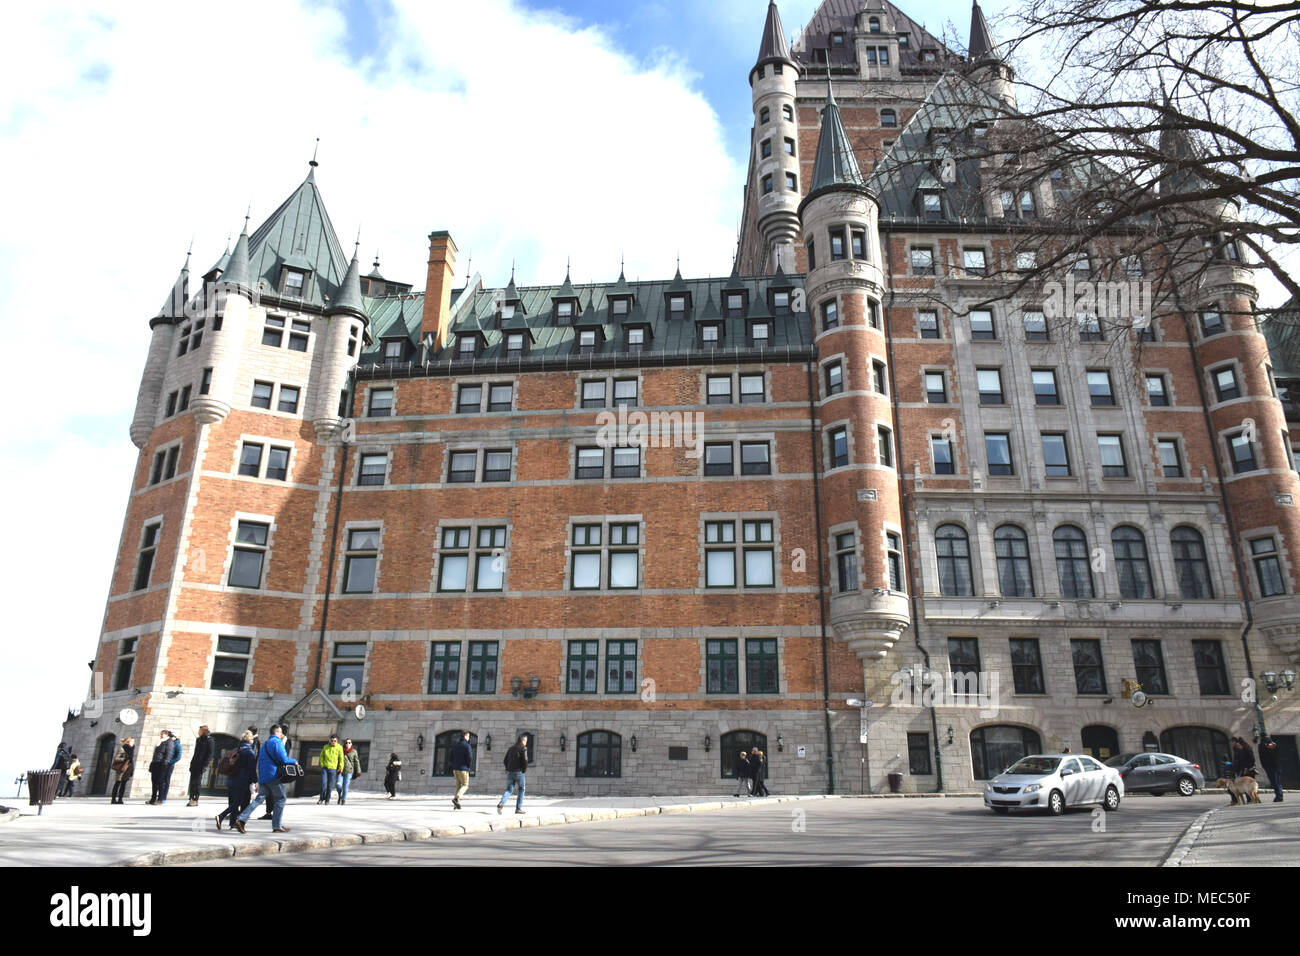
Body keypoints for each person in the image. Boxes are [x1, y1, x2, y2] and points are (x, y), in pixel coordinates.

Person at [234, 724, 297, 834]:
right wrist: (294, 761)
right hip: (274, 776)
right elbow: (283, 759)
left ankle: (241, 820)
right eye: (281, 732)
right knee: (281, 799)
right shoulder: (277, 742)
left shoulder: (266, 743)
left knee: (259, 799)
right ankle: (277, 826)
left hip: (264, 776)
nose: (282, 734)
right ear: (276, 732)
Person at [216, 731, 258, 830]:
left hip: (231, 779)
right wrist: (255, 780)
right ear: (249, 739)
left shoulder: (236, 749)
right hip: (242, 780)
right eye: (252, 738)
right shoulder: (249, 752)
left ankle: (232, 823)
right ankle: (221, 816)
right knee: (238, 802)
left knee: (234, 802)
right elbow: (251, 768)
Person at [497, 735, 528, 814]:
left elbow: (505, 760)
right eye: (526, 741)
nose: (526, 743)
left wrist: (508, 769)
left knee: (509, 789)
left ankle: (501, 803)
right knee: (521, 789)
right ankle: (518, 809)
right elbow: (525, 760)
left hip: (510, 772)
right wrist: (523, 770)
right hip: (519, 771)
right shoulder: (523, 748)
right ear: (523, 740)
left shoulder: (511, 748)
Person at [187, 725, 213, 806]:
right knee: (192, 781)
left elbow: (210, 754)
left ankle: (195, 799)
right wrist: (192, 763)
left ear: (203, 731)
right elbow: (196, 753)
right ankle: (191, 798)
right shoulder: (198, 740)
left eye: (199, 731)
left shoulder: (210, 740)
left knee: (197, 782)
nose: (198, 732)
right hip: (195, 763)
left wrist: (205, 765)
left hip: (201, 764)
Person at [147, 730, 174, 805]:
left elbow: (168, 754)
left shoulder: (169, 742)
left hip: (162, 764)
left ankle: (160, 799)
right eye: (161, 734)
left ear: (167, 734)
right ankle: (153, 798)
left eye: (163, 734)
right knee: (154, 781)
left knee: (160, 782)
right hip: (155, 763)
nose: (161, 735)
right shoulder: (159, 741)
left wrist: (165, 764)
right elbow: (155, 754)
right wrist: (152, 763)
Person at [450, 731, 473, 810]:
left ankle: (455, 805)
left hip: (455, 769)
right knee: (465, 785)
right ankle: (456, 798)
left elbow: (450, 757)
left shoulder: (455, 745)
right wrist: (468, 766)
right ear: (465, 736)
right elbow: (469, 757)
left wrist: (454, 764)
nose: (469, 738)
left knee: (458, 786)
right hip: (463, 768)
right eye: (468, 736)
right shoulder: (467, 746)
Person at [319, 734, 344, 804]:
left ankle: (327, 800)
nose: (333, 742)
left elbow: (341, 758)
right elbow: (321, 756)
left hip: (333, 768)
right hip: (325, 767)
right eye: (332, 740)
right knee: (323, 783)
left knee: (329, 785)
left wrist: (341, 767)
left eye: (335, 741)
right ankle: (321, 798)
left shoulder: (339, 748)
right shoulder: (326, 747)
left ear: (337, 741)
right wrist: (322, 764)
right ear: (330, 740)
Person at [110, 736, 135, 804]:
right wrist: (124, 759)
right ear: (128, 742)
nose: (133, 743)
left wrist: (132, 769)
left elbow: (131, 760)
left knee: (124, 784)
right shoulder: (122, 748)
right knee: (117, 783)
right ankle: (113, 799)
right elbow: (116, 758)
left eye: (133, 741)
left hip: (128, 768)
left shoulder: (132, 749)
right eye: (132, 741)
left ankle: (120, 799)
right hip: (121, 768)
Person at [1260, 735, 1284, 802]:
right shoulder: (1273, 744)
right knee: (1278, 782)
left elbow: (1266, 756)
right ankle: (1280, 795)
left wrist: (1265, 765)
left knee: (1275, 782)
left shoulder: (1264, 745)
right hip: (1276, 766)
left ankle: (1279, 796)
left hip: (1271, 766)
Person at [161, 731, 182, 803]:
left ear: (175, 737)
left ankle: (163, 797)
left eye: (171, 736)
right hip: (163, 763)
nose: (170, 737)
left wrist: (170, 762)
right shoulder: (167, 742)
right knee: (161, 780)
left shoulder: (177, 744)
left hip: (169, 765)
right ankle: (160, 795)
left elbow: (178, 756)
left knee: (166, 781)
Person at [338, 738, 360, 804]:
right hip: (341, 770)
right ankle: (340, 796)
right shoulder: (340, 750)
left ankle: (343, 799)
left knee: (345, 786)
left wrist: (358, 771)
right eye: (347, 742)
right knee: (338, 785)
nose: (348, 744)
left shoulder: (354, 751)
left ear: (351, 743)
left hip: (349, 770)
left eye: (349, 742)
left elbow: (357, 762)